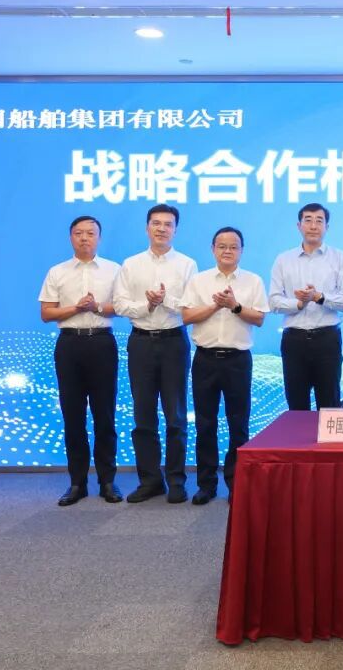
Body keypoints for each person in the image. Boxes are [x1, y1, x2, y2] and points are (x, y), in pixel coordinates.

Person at [113, 204, 197, 504]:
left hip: (174, 342)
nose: (162, 229)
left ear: (176, 229)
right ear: (147, 227)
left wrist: (165, 300)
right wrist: (147, 305)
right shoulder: (131, 264)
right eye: (156, 223)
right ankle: (149, 481)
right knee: (143, 415)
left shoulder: (187, 264)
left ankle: (176, 481)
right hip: (141, 343)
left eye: (168, 224)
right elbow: (120, 304)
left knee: (176, 416)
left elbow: (190, 306)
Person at [180, 227, 267, 505]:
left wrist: (234, 305)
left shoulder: (253, 281)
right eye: (222, 246)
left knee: (238, 424)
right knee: (205, 424)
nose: (227, 251)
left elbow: (259, 318)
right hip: (205, 359)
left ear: (241, 250)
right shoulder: (199, 280)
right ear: (213, 249)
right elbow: (186, 316)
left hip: (237, 360)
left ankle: (237, 484)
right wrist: (215, 306)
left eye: (233, 246)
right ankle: (206, 485)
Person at [39, 216, 121, 506]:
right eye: (78, 233)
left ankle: (107, 481)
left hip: (102, 343)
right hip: (69, 345)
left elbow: (121, 307)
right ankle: (77, 483)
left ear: (99, 237)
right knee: (73, 416)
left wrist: (96, 306)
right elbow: (46, 313)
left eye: (90, 233)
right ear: (70, 237)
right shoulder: (57, 271)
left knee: (104, 415)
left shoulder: (114, 270)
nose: (84, 238)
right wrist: (76, 308)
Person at [269, 203, 343, 411]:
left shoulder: (340, 258)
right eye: (308, 220)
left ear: (327, 227)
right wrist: (298, 303)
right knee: (296, 406)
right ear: (299, 226)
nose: (313, 226)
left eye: (319, 221)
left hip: (327, 339)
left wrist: (319, 297)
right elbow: (274, 302)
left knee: (329, 405)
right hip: (294, 340)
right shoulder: (283, 260)